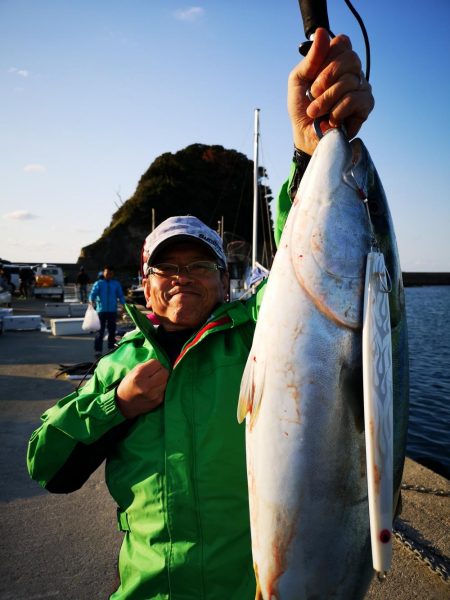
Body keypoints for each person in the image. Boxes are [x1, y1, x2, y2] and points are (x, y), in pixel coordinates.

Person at [27, 30, 374, 599]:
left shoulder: (258, 337)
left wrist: (309, 152)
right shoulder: (120, 367)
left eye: (200, 266)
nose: (183, 277)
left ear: (225, 278)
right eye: (168, 268)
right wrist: (118, 403)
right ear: (146, 283)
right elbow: (46, 464)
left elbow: (306, 265)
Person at [89, 265, 126, 357]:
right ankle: (98, 350)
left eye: (110, 273)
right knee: (99, 332)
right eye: (106, 272)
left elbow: (120, 295)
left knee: (112, 331)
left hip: (112, 311)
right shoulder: (99, 283)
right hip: (100, 311)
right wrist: (91, 301)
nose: (108, 274)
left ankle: (111, 348)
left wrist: (124, 306)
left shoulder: (116, 284)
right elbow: (92, 294)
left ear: (113, 274)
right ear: (104, 272)